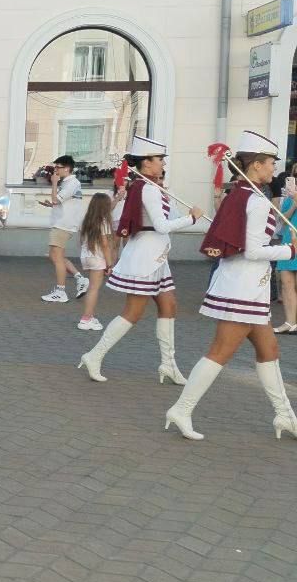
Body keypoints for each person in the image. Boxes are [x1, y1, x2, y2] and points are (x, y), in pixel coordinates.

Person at [166, 131, 297, 441]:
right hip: (243, 288)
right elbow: (252, 250)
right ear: (255, 166)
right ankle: (181, 409)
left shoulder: (238, 194)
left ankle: (285, 415)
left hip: (244, 286)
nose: (272, 169)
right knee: (220, 352)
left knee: (269, 349)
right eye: (269, 163)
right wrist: (289, 251)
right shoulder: (254, 199)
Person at [78, 135, 203, 384]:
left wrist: (176, 204)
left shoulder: (153, 188)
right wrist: (192, 219)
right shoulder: (147, 189)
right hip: (145, 256)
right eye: (159, 160)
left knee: (169, 306)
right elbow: (161, 225)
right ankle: (94, 355)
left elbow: (170, 217)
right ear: (146, 163)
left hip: (158, 257)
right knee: (133, 312)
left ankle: (168, 364)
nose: (163, 165)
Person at [39, 155, 88, 303]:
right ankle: (80, 279)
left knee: (57, 256)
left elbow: (56, 199)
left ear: (67, 168)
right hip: (61, 223)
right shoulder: (68, 183)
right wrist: (51, 204)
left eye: (58, 167)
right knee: (54, 255)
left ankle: (61, 291)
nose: (56, 170)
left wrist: (54, 183)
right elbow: (59, 201)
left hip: (63, 224)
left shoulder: (72, 183)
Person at [76, 192, 116, 331]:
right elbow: (105, 244)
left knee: (92, 288)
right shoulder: (103, 222)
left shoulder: (86, 220)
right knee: (94, 289)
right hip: (98, 257)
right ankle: (86, 319)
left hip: (86, 256)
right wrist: (109, 264)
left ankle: (90, 316)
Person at [276, 176, 297, 334]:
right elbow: (283, 219)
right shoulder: (291, 197)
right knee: (286, 283)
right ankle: (290, 322)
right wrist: (295, 203)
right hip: (288, 242)